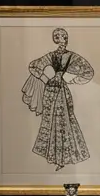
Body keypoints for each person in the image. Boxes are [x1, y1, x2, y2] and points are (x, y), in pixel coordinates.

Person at [21, 27, 94, 170]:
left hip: (61, 91)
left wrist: (71, 80)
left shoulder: (73, 57)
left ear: (65, 38)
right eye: (56, 36)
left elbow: (88, 72)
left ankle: (62, 159)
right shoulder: (51, 55)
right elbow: (33, 66)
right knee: (50, 121)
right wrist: (44, 78)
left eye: (60, 36)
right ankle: (54, 157)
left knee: (64, 121)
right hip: (50, 91)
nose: (58, 38)